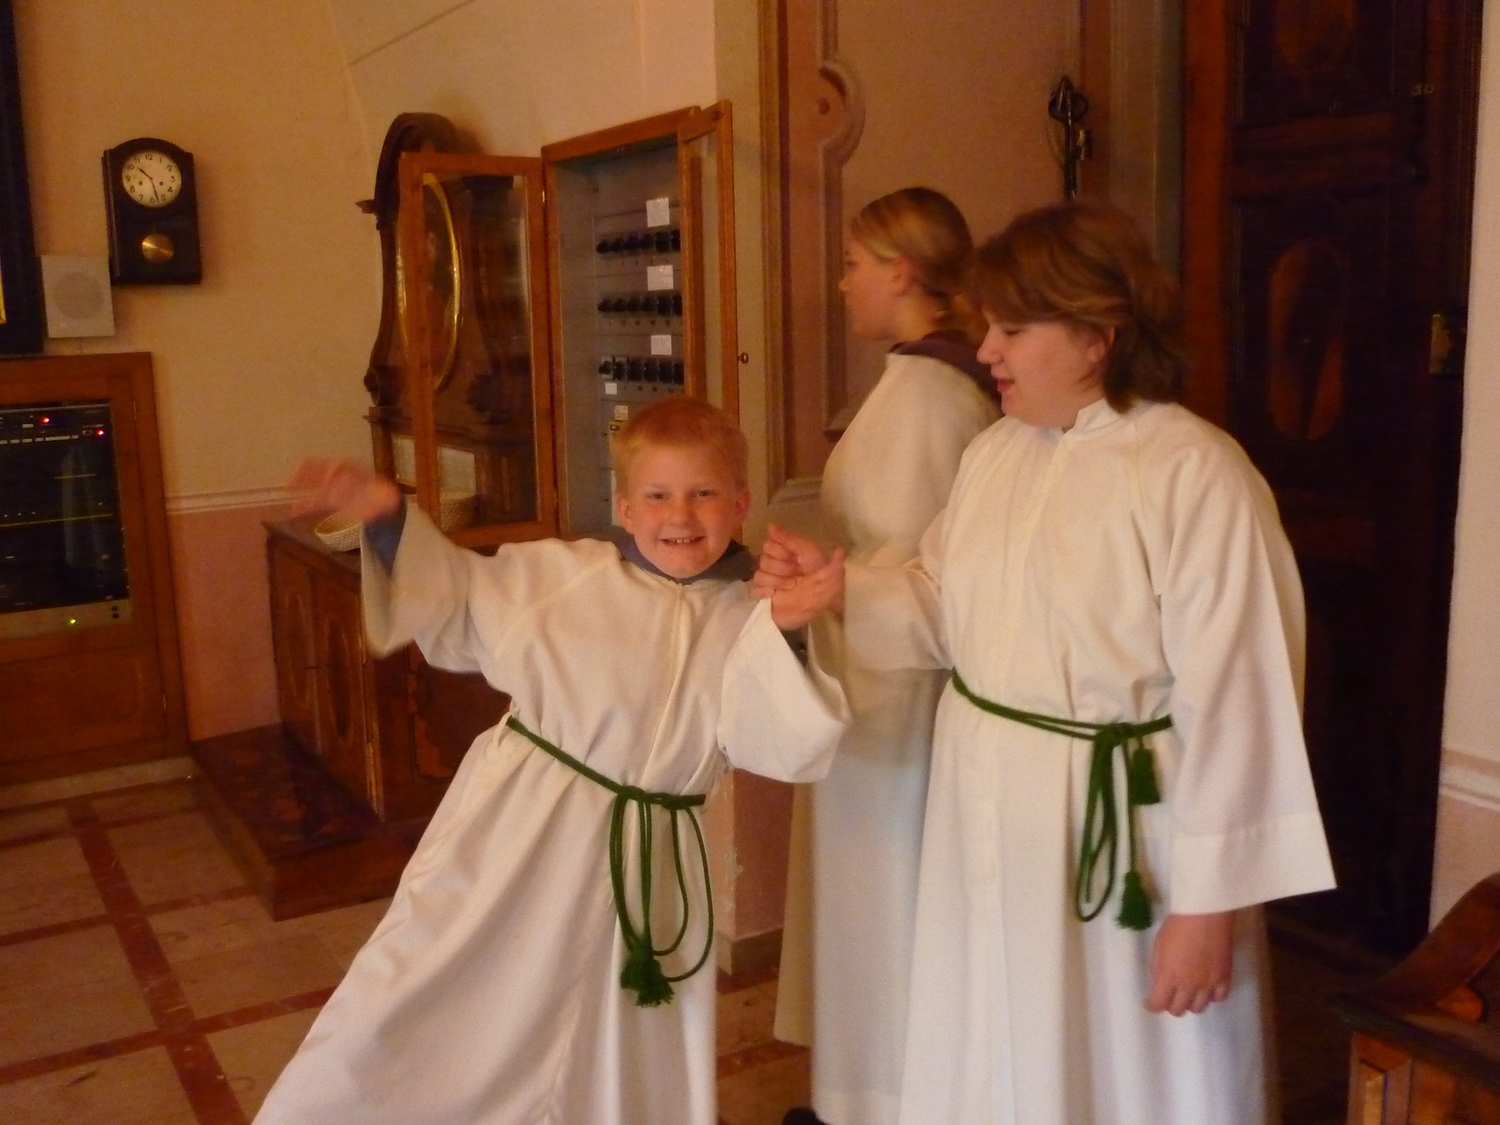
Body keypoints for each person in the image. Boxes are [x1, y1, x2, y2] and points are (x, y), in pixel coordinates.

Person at [757, 201, 1334, 1125]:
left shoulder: (1194, 472)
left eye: (1013, 330)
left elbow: (1242, 702)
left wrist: (1207, 909)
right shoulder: (996, 453)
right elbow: (946, 607)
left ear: (1100, 333)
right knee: (995, 1040)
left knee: (1127, 1065)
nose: (987, 350)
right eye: (990, 325)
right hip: (986, 803)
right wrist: (841, 589)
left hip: (1124, 826)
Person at [254, 397, 848, 1125]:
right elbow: (455, 595)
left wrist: (787, 630)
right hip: (524, 836)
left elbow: (780, 742)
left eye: (704, 493)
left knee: (617, 1032)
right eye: (658, 495)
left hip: (652, 860)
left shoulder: (750, 610)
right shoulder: (561, 577)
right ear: (625, 508)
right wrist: (387, 518)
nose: (681, 514)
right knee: (435, 991)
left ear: (741, 503)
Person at [775, 186, 998, 1125]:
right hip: (867, 665)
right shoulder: (914, 380)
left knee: (889, 897)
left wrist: (837, 583)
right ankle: (856, 1093)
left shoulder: (934, 396)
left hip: (899, 695)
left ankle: (893, 1101)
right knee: (863, 902)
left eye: (854, 264)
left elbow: (924, 570)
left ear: (902, 272)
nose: (842, 283)